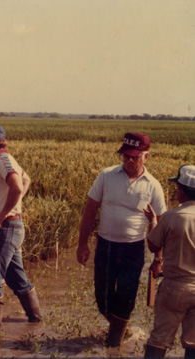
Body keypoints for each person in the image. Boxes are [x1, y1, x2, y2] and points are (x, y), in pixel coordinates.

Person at [76, 132, 167, 348]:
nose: (128, 160)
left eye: (134, 157)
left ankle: (113, 344)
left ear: (146, 156)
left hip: (133, 249)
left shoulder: (153, 185)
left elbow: (162, 225)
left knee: (126, 297)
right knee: (103, 298)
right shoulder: (106, 176)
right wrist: (82, 244)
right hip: (106, 246)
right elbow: (89, 212)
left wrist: (158, 259)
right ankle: (122, 330)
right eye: (125, 156)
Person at [0, 123, 42, 329]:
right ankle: (35, 320)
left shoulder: (2, 160)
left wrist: (5, 212)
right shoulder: (1, 160)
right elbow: (26, 179)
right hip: (10, 227)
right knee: (15, 276)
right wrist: (12, 204)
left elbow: (18, 186)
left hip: (7, 227)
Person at [143, 164, 195, 359]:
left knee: (159, 340)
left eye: (176, 188)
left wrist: (152, 222)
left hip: (175, 288)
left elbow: (153, 245)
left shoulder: (171, 217)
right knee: (193, 343)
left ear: (181, 190)